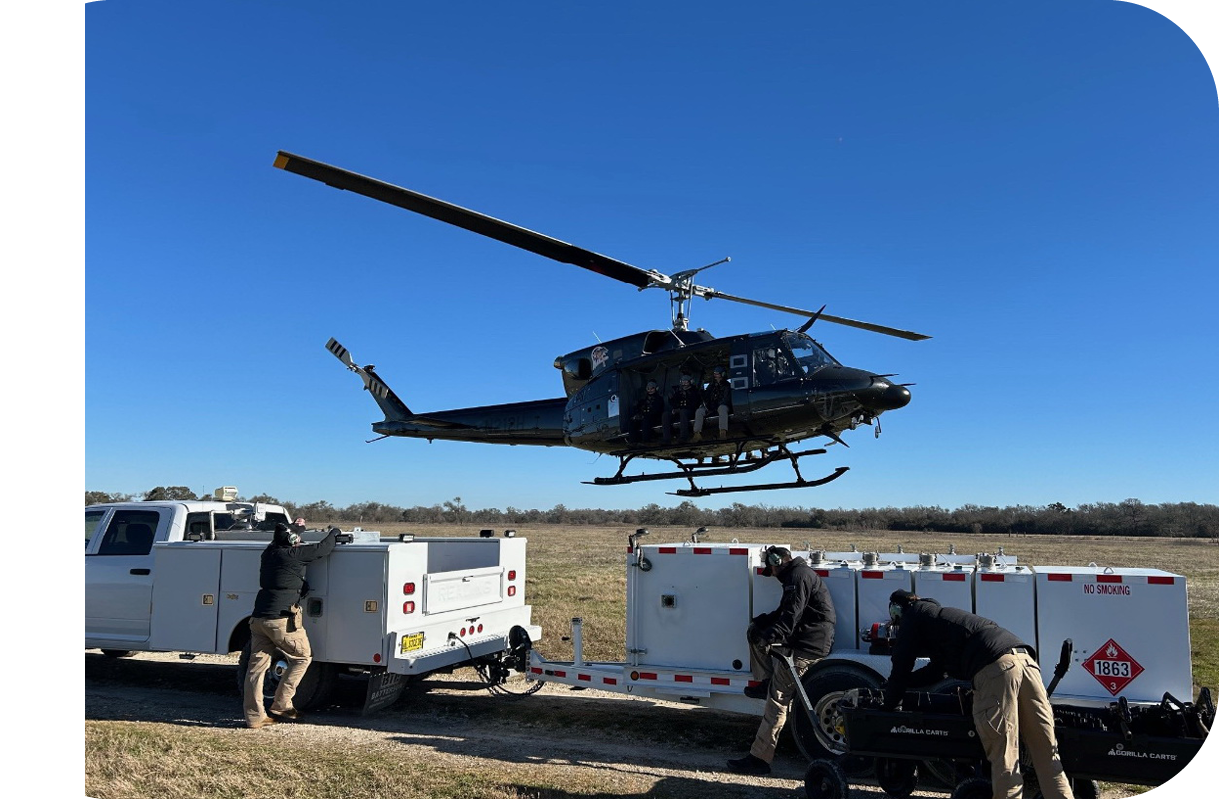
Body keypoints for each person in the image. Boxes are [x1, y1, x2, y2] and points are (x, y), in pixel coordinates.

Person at [882, 590, 1074, 799]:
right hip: (1026, 661)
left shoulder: (912, 616)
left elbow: (901, 665)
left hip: (996, 668)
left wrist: (889, 703)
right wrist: (905, 683)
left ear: (900, 609)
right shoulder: (942, 618)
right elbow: (937, 671)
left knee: (1005, 757)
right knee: (1047, 753)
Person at [727, 546, 836, 776]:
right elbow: (786, 611)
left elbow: (792, 615)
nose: (773, 575)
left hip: (806, 647)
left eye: (772, 569)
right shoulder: (800, 574)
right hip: (809, 642)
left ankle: (759, 759)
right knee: (756, 634)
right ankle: (765, 681)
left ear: (777, 562)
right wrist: (764, 623)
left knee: (777, 700)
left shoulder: (797, 577)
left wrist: (771, 635)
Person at [243, 522, 340, 729]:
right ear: (293, 540)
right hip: (280, 620)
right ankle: (282, 704)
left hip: (258, 618)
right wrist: (335, 532)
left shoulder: (269, 553)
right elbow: (323, 548)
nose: (300, 541)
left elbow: (282, 542)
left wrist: (296, 527)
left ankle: (254, 717)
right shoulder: (293, 555)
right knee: (302, 657)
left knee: (256, 669)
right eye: (298, 537)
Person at [694, 365, 733, 441]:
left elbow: (726, 399)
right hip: (711, 407)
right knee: (699, 411)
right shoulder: (711, 385)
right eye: (715, 374)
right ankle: (697, 434)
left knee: (722, 408)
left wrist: (716, 406)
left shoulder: (727, 386)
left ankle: (723, 433)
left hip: (721, 406)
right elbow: (706, 396)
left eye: (717, 374)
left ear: (722, 374)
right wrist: (701, 393)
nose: (715, 376)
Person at [628, 380, 669, 445]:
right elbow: (639, 409)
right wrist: (638, 415)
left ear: (656, 389)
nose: (650, 390)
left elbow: (656, 411)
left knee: (646, 420)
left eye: (652, 388)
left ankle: (646, 441)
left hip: (655, 418)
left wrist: (644, 415)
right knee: (632, 421)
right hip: (644, 417)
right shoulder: (643, 400)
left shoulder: (659, 399)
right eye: (648, 388)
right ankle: (633, 442)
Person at [667, 374, 702, 443]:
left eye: (686, 381)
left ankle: (684, 437)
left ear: (690, 382)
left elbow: (694, 405)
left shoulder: (694, 392)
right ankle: (667, 438)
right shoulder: (678, 392)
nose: (684, 383)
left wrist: (680, 409)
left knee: (683, 412)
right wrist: (671, 399)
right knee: (666, 415)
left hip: (690, 411)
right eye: (683, 382)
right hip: (679, 411)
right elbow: (675, 403)